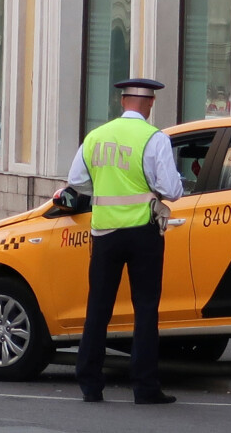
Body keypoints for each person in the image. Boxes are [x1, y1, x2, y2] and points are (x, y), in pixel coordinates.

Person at [68, 78, 183, 404]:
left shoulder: (96, 137)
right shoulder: (154, 138)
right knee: (145, 309)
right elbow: (172, 190)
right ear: (149, 104)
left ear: (122, 102)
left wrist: (103, 190)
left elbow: (76, 180)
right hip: (143, 232)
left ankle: (90, 383)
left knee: (98, 308)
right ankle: (145, 387)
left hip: (104, 233)